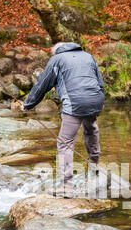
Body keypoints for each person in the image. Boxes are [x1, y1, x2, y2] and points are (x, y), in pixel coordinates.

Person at [21, 42, 104, 197]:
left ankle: (67, 186)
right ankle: (94, 163)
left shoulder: (57, 59)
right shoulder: (88, 56)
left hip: (75, 103)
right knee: (90, 128)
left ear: (56, 52)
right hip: (95, 99)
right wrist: (98, 100)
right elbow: (100, 82)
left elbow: (42, 84)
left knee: (65, 142)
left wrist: (28, 104)